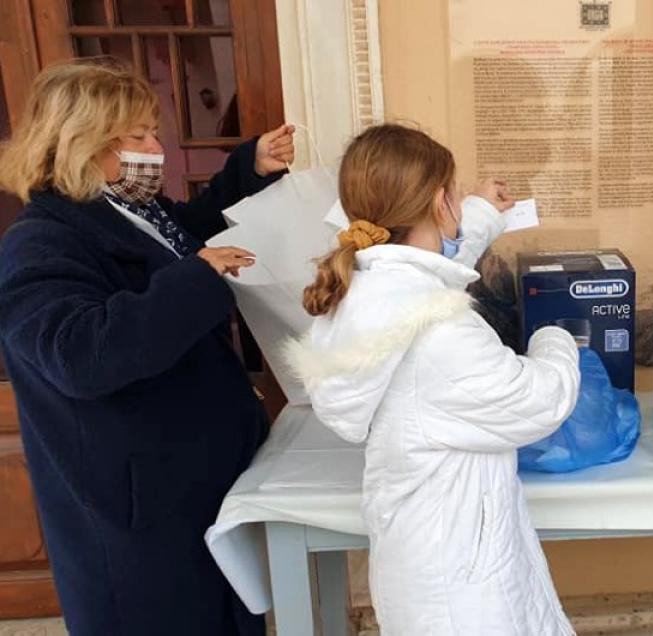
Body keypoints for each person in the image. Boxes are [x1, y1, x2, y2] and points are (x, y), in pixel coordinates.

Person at [0, 61, 292, 635]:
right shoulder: (39, 241)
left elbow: (185, 238)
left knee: (222, 611)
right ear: (81, 141)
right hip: (136, 502)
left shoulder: (130, 211)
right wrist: (198, 279)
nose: (155, 150)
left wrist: (247, 169)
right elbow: (81, 355)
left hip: (189, 477)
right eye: (137, 136)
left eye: (152, 133)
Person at [286, 124, 581, 634]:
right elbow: (538, 401)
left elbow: (426, 270)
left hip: (422, 556)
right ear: (441, 203)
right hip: (463, 587)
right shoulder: (441, 332)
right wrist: (555, 338)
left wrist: (480, 213)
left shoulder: (370, 293)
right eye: (457, 195)